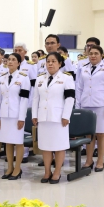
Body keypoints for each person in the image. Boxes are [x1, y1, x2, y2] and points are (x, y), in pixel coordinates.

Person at [33, 52, 75, 184]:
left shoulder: (66, 78)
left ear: (60, 63)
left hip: (58, 117)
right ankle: (47, 171)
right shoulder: (40, 79)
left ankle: (57, 172)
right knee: (45, 146)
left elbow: (70, 99)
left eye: (53, 61)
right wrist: (34, 115)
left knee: (59, 145)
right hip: (43, 117)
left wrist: (66, 116)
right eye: (48, 61)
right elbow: (35, 99)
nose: (50, 64)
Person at [75, 45, 104, 171]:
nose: (93, 56)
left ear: (101, 55)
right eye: (91, 53)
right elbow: (79, 88)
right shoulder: (83, 68)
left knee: (101, 133)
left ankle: (100, 161)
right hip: (86, 104)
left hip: (101, 105)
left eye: (96, 53)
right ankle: (89, 160)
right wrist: (78, 106)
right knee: (89, 134)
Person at [0, 52, 30, 179]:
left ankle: (17, 168)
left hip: (16, 115)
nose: (10, 61)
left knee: (18, 142)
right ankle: (10, 167)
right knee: (8, 142)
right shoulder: (2, 78)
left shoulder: (23, 78)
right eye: (9, 59)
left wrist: (21, 118)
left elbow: (24, 100)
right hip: (4, 115)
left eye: (13, 59)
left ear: (19, 63)